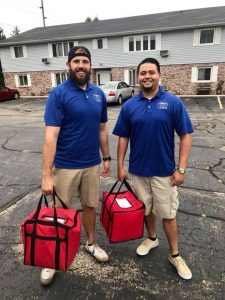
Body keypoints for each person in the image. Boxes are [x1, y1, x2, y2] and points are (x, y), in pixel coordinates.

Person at [113, 57, 193, 280]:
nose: (147, 76)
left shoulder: (173, 102)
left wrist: (182, 169)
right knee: (146, 210)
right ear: (137, 77)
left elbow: (186, 135)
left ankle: (175, 255)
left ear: (159, 75)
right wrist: (120, 166)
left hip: (164, 173)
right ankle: (151, 238)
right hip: (138, 172)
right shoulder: (129, 105)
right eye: (142, 73)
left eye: (151, 72)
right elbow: (123, 138)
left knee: (168, 214)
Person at [40, 46, 111, 285]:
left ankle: (90, 244)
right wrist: (46, 175)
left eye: (85, 61)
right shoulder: (58, 94)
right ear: (68, 65)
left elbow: (102, 129)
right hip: (66, 166)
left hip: (92, 164)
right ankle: (52, 259)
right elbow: (51, 136)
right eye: (76, 61)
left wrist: (107, 157)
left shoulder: (98, 93)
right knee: (60, 212)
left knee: (91, 206)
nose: (81, 65)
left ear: (90, 65)